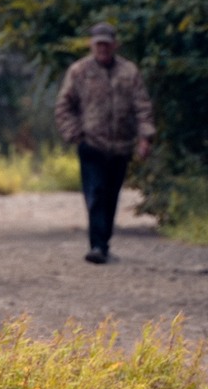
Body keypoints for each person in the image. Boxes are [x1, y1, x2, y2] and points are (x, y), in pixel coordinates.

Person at [54, 22, 155, 264]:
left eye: (107, 44)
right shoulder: (79, 71)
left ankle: (104, 243)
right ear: (92, 45)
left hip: (121, 145)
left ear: (114, 45)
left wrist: (145, 137)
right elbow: (63, 106)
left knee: (111, 195)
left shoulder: (129, 72)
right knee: (96, 192)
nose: (103, 48)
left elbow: (142, 107)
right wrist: (75, 133)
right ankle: (97, 245)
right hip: (91, 143)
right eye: (98, 44)